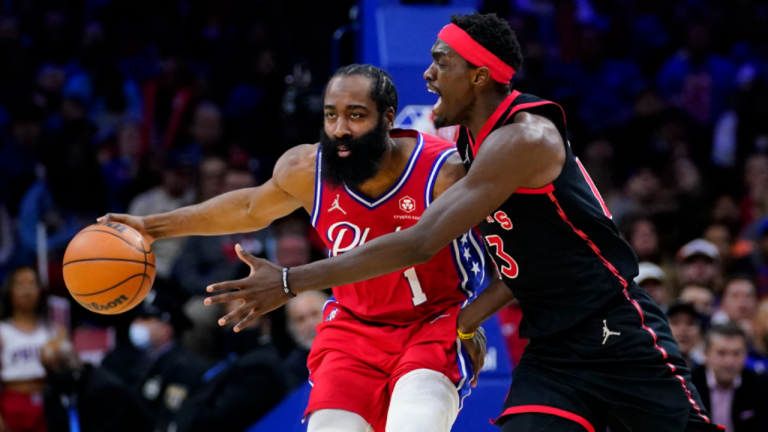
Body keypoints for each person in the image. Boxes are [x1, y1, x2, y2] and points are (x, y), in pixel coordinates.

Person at [205, 13, 721, 432]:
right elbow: (523, 266)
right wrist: (465, 320)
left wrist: (291, 280)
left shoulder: (524, 139)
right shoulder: (471, 143)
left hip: (615, 329)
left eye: (440, 61)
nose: (428, 75)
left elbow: (420, 242)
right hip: (554, 346)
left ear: (477, 77)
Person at [100, 64, 493, 432]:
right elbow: (249, 207)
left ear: (388, 119)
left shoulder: (445, 172)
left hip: (432, 325)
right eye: (330, 115)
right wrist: (152, 228)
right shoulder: (308, 169)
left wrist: (470, 320)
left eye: (356, 115)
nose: (339, 129)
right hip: (354, 331)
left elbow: (511, 255)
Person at [168, 302, 287, 432]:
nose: (234, 324)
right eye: (228, 318)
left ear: (265, 322)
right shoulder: (233, 359)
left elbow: (217, 419)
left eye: (243, 316)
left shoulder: (260, 367)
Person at [127, 290, 207, 431]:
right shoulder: (138, 360)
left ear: (165, 329)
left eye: (146, 319)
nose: (136, 324)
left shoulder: (183, 368)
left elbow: (170, 419)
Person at [41, 338, 154, 432]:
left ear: (75, 360)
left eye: (62, 368)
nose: (58, 375)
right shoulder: (52, 392)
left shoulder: (105, 389)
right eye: (51, 371)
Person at [0, 266, 60, 432]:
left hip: (47, 401)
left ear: (40, 291)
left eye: (32, 284)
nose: (26, 291)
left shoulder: (53, 330)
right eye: (20, 284)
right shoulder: (3, 331)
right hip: (14, 401)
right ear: (9, 290)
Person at [691, 324, 768, 432]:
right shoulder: (689, 385)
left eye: (736, 354)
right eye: (721, 353)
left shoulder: (761, 386)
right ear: (707, 355)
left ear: (745, 354)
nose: (729, 362)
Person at [285, 291, 329, 389]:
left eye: (314, 314)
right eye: (301, 319)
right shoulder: (294, 366)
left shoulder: (349, 342)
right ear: (291, 327)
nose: (310, 324)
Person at [668, 301, 706, 369]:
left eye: (690, 323)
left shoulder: (705, 367)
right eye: (675, 322)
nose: (683, 329)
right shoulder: (653, 365)